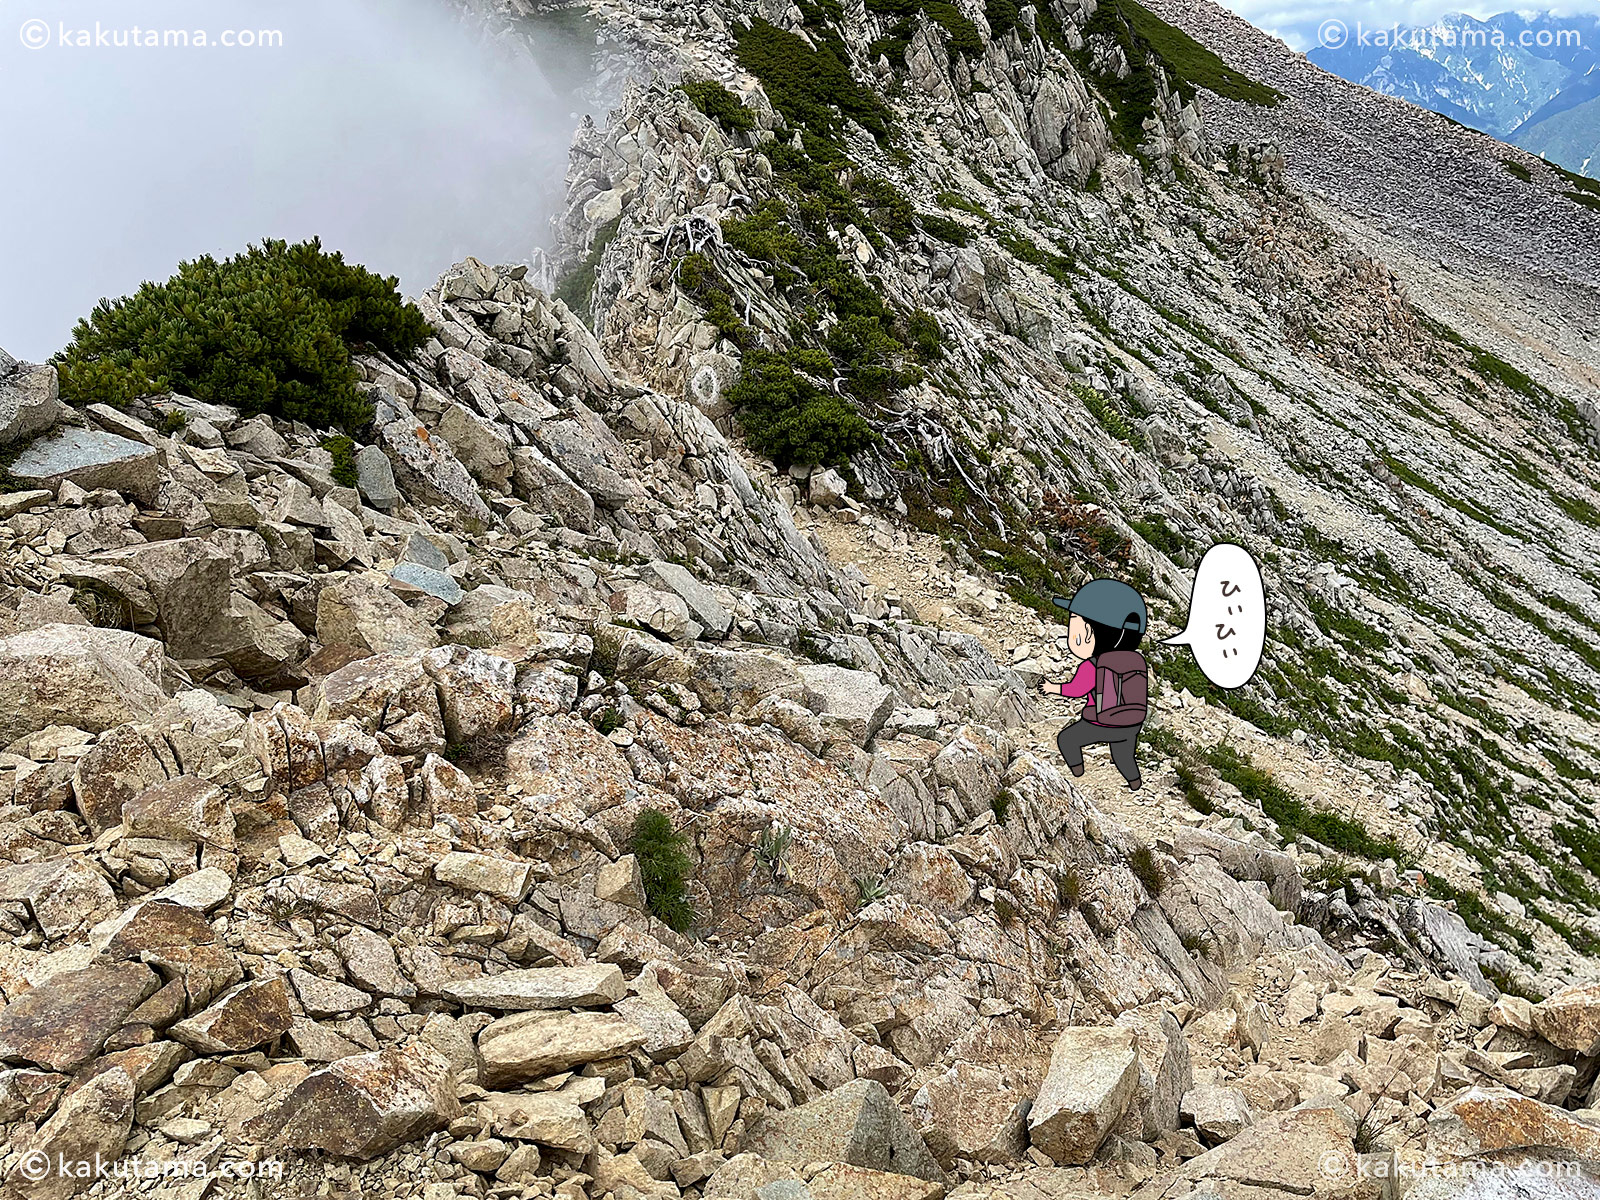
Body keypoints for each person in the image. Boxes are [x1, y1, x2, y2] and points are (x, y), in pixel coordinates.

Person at [1051, 578, 1150, 790]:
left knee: (1066, 740)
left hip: (1100, 723)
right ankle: (1134, 783)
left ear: (1086, 633)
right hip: (1132, 724)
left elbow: (1076, 690)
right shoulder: (1135, 660)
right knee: (1123, 756)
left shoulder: (1091, 665)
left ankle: (1078, 775)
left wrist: (1053, 688)